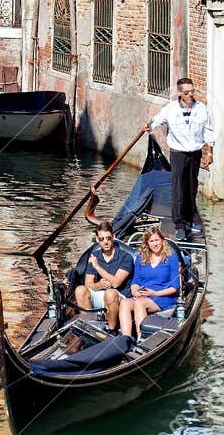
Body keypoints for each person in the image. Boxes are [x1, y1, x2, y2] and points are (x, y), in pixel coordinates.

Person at [145, 78, 215, 237]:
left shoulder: (202, 109)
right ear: (180, 93)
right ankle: (179, 224)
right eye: (187, 92)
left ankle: (191, 218)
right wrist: (149, 125)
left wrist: (209, 153)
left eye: (192, 91)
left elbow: (209, 131)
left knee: (191, 187)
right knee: (178, 188)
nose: (190, 95)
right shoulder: (170, 109)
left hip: (195, 153)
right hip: (178, 154)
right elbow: (156, 120)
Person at [118, 223, 182, 341]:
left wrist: (154, 293)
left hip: (163, 297)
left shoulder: (171, 258)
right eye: (151, 241)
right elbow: (135, 281)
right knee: (125, 303)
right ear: (147, 243)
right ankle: (125, 339)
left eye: (157, 240)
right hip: (144, 295)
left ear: (162, 240)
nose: (155, 244)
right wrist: (135, 291)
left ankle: (141, 338)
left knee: (140, 303)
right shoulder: (141, 258)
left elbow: (175, 287)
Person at [72, 219, 133, 332]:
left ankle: (111, 330)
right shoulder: (95, 255)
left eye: (108, 238)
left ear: (113, 237)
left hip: (120, 297)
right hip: (101, 294)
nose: (105, 242)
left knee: (110, 293)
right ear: (97, 240)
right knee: (80, 290)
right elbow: (88, 283)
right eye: (101, 239)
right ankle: (91, 326)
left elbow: (116, 283)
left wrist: (98, 267)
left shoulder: (126, 257)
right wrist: (99, 285)